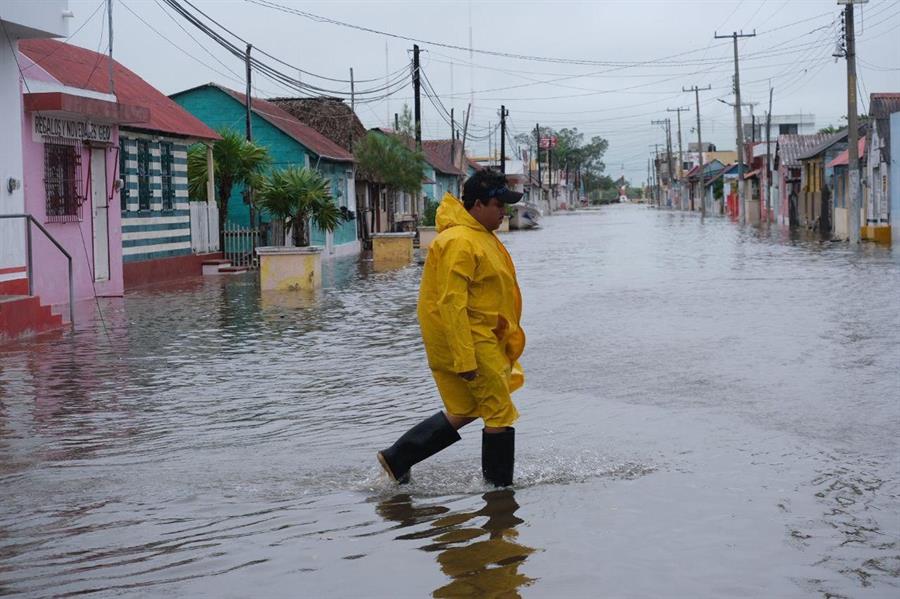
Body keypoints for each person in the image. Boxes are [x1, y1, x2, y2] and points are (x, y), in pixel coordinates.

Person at [377, 168, 526, 487]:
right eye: (499, 206)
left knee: (468, 407)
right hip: (471, 341)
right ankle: (499, 495)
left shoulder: (477, 236)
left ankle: (398, 457)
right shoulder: (459, 241)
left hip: (482, 337)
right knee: (499, 412)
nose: (504, 212)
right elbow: (450, 303)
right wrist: (465, 359)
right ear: (478, 205)